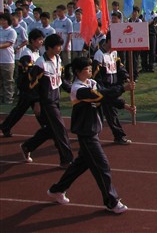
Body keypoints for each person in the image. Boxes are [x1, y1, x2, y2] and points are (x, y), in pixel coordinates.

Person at [47, 57, 134, 214]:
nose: (90, 70)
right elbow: (100, 95)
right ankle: (111, 202)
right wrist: (123, 88)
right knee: (102, 166)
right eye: (87, 69)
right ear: (78, 72)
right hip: (86, 133)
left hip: (93, 131)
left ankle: (57, 189)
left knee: (80, 165)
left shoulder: (91, 83)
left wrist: (124, 105)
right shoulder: (79, 89)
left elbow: (107, 98)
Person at [21, 34, 74, 167]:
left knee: (50, 130)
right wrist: (37, 102)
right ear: (49, 47)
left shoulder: (57, 59)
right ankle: (66, 159)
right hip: (46, 102)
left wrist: (73, 89)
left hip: (55, 99)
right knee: (60, 130)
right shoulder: (40, 63)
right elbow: (33, 85)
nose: (60, 48)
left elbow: (60, 79)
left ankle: (27, 146)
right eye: (58, 46)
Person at [0, 29, 44, 137]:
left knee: (21, 109)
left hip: (33, 87)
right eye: (39, 40)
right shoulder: (27, 54)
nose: (41, 42)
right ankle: (47, 128)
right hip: (27, 87)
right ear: (32, 41)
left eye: (42, 40)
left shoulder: (37, 52)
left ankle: (6, 126)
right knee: (24, 109)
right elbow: (27, 72)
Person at [92, 33, 132, 144]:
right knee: (110, 113)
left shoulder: (114, 53)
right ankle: (119, 136)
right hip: (105, 89)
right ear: (108, 41)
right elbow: (96, 75)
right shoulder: (99, 55)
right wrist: (104, 90)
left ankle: (91, 134)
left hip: (113, 87)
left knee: (104, 113)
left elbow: (120, 67)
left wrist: (126, 77)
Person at [0, 12, 18, 104]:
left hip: (7, 60)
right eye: (1, 20)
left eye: (4, 20)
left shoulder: (12, 31)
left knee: (8, 81)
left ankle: (8, 99)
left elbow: (9, 43)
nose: (2, 22)